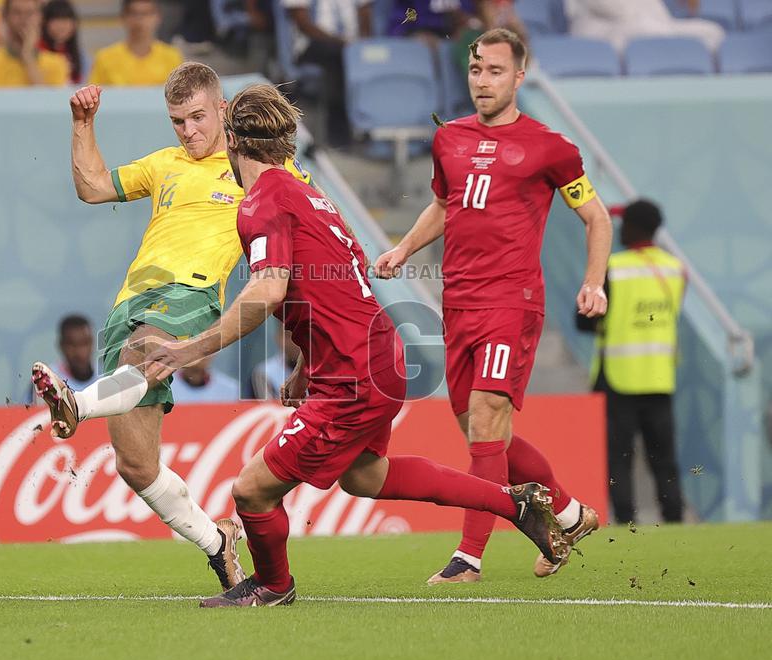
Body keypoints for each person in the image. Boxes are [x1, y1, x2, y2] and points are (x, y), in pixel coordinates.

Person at [142, 83, 566, 607]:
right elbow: (331, 285)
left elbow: (269, 290)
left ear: (231, 138)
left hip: (354, 373)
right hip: (377, 353)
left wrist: (192, 348)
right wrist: (307, 364)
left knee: (251, 491)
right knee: (366, 477)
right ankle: (516, 504)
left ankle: (274, 586)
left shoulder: (261, 202)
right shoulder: (310, 195)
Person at [29, 62, 313, 592]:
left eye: (198, 118)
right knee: (135, 465)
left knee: (147, 351)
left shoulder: (261, 167)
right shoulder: (165, 164)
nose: (189, 131)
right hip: (128, 303)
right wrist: (83, 123)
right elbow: (92, 187)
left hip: (192, 294)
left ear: (223, 109)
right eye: (178, 121)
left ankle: (77, 405)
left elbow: (315, 217)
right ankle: (217, 542)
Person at [375, 28, 613, 583]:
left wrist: (594, 281)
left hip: (513, 301)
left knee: (485, 418)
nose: (483, 82)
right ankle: (572, 515)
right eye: (477, 71)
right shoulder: (450, 139)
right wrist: (405, 248)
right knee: (485, 434)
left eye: (496, 72)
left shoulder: (550, 147)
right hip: (457, 302)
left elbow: (597, 216)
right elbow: (444, 204)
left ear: (519, 77)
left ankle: (469, 557)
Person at [577, 200, 685, 525]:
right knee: (664, 457)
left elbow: (584, 319)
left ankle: (625, 521)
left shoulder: (614, 267)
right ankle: (675, 518)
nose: (620, 229)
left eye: (624, 223)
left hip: (618, 377)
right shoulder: (674, 268)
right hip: (658, 377)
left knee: (620, 457)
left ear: (636, 227)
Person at [282, 0, 373, 146]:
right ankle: (337, 133)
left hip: (352, 46)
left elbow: (365, 11)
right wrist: (341, 43)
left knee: (378, 56)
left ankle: (375, 128)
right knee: (336, 59)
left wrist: (362, 44)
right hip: (313, 45)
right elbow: (302, 22)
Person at [564, 0, 723, 54]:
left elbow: (662, 19)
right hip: (602, 32)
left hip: (649, 27)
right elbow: (617, 10)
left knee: (711, 31)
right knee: (650, 29)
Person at [87, 0, 181, 87]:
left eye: (146, 13)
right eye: (134, 13)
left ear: (158, 17)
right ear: (123, 17)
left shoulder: (171, 56)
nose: (140, 19)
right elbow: (93, 96)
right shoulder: (105, 57)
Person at [0, 0, 68, 87]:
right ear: (5, 17)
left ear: (40, 18)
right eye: (17, 13)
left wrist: (28, 56)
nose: (24, 19)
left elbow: (49, 101)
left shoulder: (57, 64)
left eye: (30, 13)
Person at [251, 320, 301, 400]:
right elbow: (268, 409)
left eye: (298, 335)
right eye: (287, 336)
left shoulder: (321, 369)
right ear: (277, 337)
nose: (294, 342)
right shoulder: (264, 372)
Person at [40, 0, 81, 84]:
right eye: (56, 20)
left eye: (66, 20)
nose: (61, 26)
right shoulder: (38, 50)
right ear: (45, 23)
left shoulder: (79, 54)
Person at [53, 314, 96, 392]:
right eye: (72, 345)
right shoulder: (47, 380)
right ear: (61, 346)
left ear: (92, 342)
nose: (79, 352)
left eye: (85, 343)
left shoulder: (106, 377)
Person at [170, 355, 239, 404]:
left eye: (208, 348)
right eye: (195, 347)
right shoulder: (166, 386)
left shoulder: (229, 389)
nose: (202, 354)